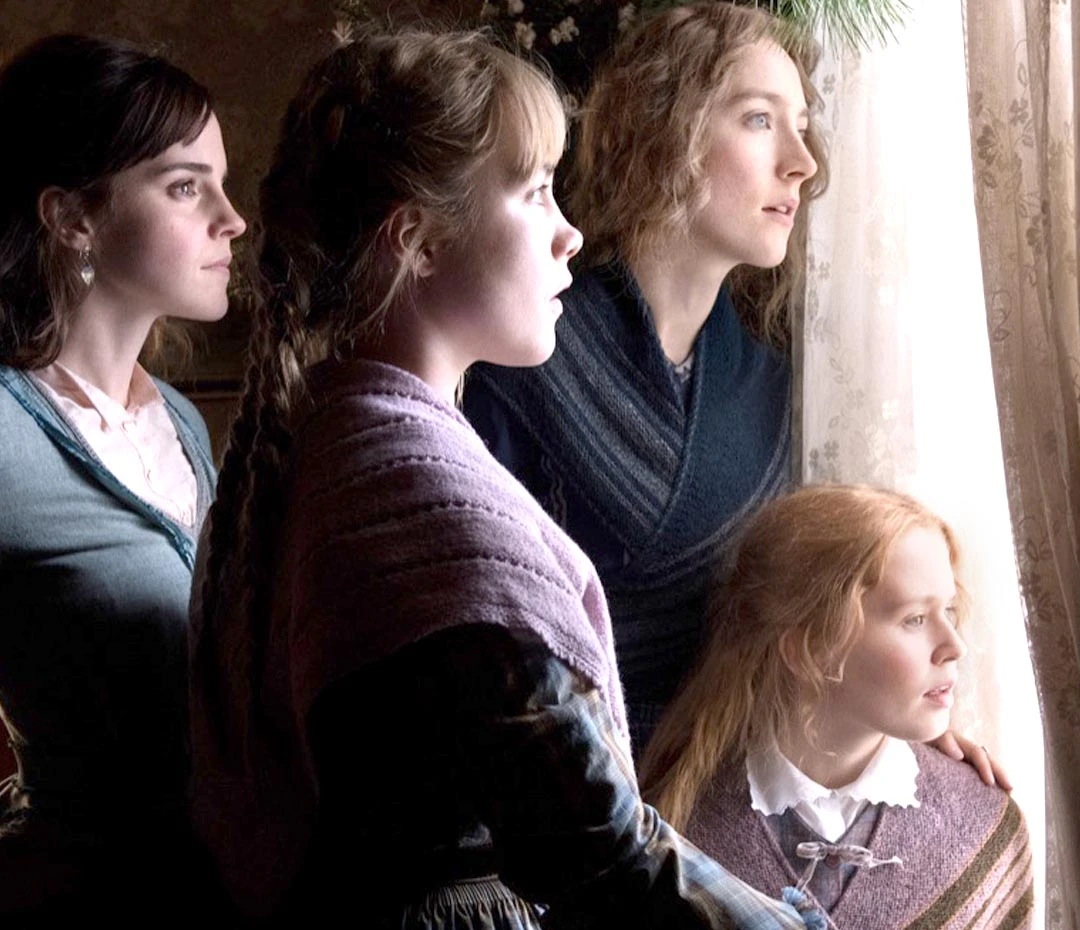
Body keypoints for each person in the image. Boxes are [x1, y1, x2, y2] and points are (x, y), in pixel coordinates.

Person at [190, 26, 824, 930]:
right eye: (533, 192)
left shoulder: (339, 437)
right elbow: (601, 854)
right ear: (418, 241)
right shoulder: (419, 505)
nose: (570, 232)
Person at [462, 2, 827, 752]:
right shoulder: (529, 356)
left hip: (731, 766)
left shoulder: (780, 380)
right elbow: (479, 620)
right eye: (760, 120)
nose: (802, 161)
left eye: (802, 124)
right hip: (561, 776)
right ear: (667, 129)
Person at [0, 34, 245, 918]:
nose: (232, 218)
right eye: (185, 187)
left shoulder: (180, 421)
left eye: (222, 183)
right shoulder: (7, 433)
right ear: (73, 217)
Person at [638, 485, 1034, 927]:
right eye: (915, 619)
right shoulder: (679, 832)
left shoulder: (982, 831)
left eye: (950, 611)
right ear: (809, 649)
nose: (954, 645)